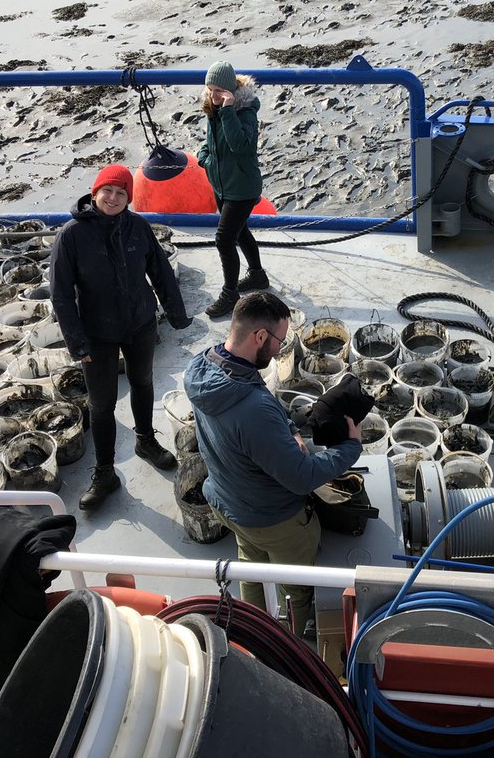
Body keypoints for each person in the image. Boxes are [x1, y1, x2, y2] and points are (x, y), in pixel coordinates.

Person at [183, 292, 362, 631]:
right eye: (280, 340)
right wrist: (350, 448)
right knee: (294, 590)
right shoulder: (253, 410)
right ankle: (286, 640)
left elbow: (257, 406)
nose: (280, 349)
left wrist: (289, 428)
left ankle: (254, 629)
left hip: (227, 503)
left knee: (250, 566)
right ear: (260, 336)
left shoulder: (202, 367)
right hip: (275, 522)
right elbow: (302, 477)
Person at [49, 163, 191, 511]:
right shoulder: (71, 235)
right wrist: (77, 342)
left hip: (140, 323)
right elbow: (61, 293)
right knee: (101, 404)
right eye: (107, 191)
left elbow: (160, 271)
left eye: (121, 193)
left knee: (143, 382)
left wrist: (176, 314)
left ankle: (146, 440)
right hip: (97, 333)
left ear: (129, 198)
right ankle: (105, 472)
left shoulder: (138, 227)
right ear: (95, 192)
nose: (113, 198)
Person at [197, 60, 269, 318]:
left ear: (230, 90)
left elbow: (241, 146)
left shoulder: (245, 112)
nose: (213, 96)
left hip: (242, 188)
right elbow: (210, 143)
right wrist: (204, 159)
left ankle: (230, 294)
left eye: (219, 91)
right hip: (222, 185)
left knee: (224, 240)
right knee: (240, 232)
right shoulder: (213, 109)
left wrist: (228, 110)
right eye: (210, 90)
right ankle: (258, 275)